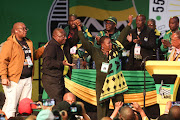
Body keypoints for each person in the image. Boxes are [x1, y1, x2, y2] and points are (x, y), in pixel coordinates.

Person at [75, 17, 132, 120]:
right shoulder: (95, 52)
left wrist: (129, 24)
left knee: (119, 105)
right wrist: (79, 29)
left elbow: (122, 37)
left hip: (116, 84)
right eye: (108, 43)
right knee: (102, 108)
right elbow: (84, 42)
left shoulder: (114, 50)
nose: (111, 44)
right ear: (102, 45)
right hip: (102, 84)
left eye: (111, 42)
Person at [0, 22, 46, 119]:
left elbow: (35, 55)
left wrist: (44, 48)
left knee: (25, 105)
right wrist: (4, 77)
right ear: (16, 30)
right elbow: (3, 61)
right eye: (23, 29)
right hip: (14, 80)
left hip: (27, 78)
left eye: (26, 29)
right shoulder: (9, 44)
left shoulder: (28, 42)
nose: (25, 30)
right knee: (11, 105)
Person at [41, 28, 79, 107]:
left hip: (60, 78)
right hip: (52, 80)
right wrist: (61, 63)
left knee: (65, 100)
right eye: (63, 36)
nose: (65, 38)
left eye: (65, 36)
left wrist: (77, 28)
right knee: (58, 103)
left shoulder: (64, 45)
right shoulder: (51, 47)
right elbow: (47, 62)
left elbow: (75, 39)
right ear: (55, 36)